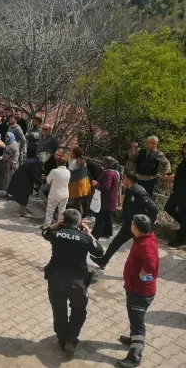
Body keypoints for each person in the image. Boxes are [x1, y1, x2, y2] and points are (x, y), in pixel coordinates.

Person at [42, 209, 103, 357]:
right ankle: (71, 339)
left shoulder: (56, 234)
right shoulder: (85, 238)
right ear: (79, 223)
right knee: (79, 310)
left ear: (64, 221)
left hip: (56, 280)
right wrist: (89, 234)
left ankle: (62, 339)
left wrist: (56, 224)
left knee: (59, 310)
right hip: (78, 283)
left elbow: (45, 232)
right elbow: (99, 252)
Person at [91, 172, 157, 271]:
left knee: (139, 249)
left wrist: (147, 224)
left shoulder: (139, 192)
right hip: (129, 224)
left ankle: (145, 268)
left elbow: (153, 208)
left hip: (137, 226)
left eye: (124, 178)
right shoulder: (130, 189)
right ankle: (103, 260)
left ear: (129, 180)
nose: (123, 180)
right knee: (116, 242)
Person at [117, 214, 158, 368]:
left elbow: (150, 264)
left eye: (132, 223)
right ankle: (133, 339)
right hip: (136, 289)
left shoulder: (145, 245)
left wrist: (142, 274)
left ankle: (135, 357)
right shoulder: (145, 239)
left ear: (135, 227)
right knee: (135, 319)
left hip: (140, 292)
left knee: (138, 323)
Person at [7, 152, 47, 218]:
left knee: (24, 195)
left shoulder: (34, 160)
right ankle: (23, 212)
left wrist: (40, 176)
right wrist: (41, 181)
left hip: (21, 177)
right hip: (23, 180)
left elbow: (34, 172)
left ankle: (24, 208)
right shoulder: (35, 163)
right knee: (24, 195)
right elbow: (34, 174)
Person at [92, 157, 120, 240]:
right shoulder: (115, 173)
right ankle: (107, 232)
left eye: (104, 162)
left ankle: (94, 235)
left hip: (105, 200)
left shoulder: (108, 173)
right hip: (111, 199)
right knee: (108, 217)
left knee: (100, 218)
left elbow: (106, 187)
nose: (102, 164)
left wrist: (96, 184)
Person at [164, 142, 186, 247]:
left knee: (184, 215)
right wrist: (173, 177)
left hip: (184, 193)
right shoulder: (184, 160)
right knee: (168, 207)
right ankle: (183, 227)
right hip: (177, 191)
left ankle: (179, 240)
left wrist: (173, 178)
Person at [44, 149, 71, 229]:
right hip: (65, 194)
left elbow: (48, 180)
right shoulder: (68, 172)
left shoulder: (54, 171)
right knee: (62, 212)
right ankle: (60, 227)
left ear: (57, 163)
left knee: (49, 212)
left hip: (54, 194)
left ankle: (47, 227)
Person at [68, 147, 92, 217]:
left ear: (74, 154)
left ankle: (79, 221)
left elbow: (68, 173)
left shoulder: (73, 162)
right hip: (84, 184)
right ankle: (82, 217)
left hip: (76, 185)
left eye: (71, 152)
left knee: (77, 205)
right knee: (80, 203)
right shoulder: (83, 161)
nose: (69, 153)